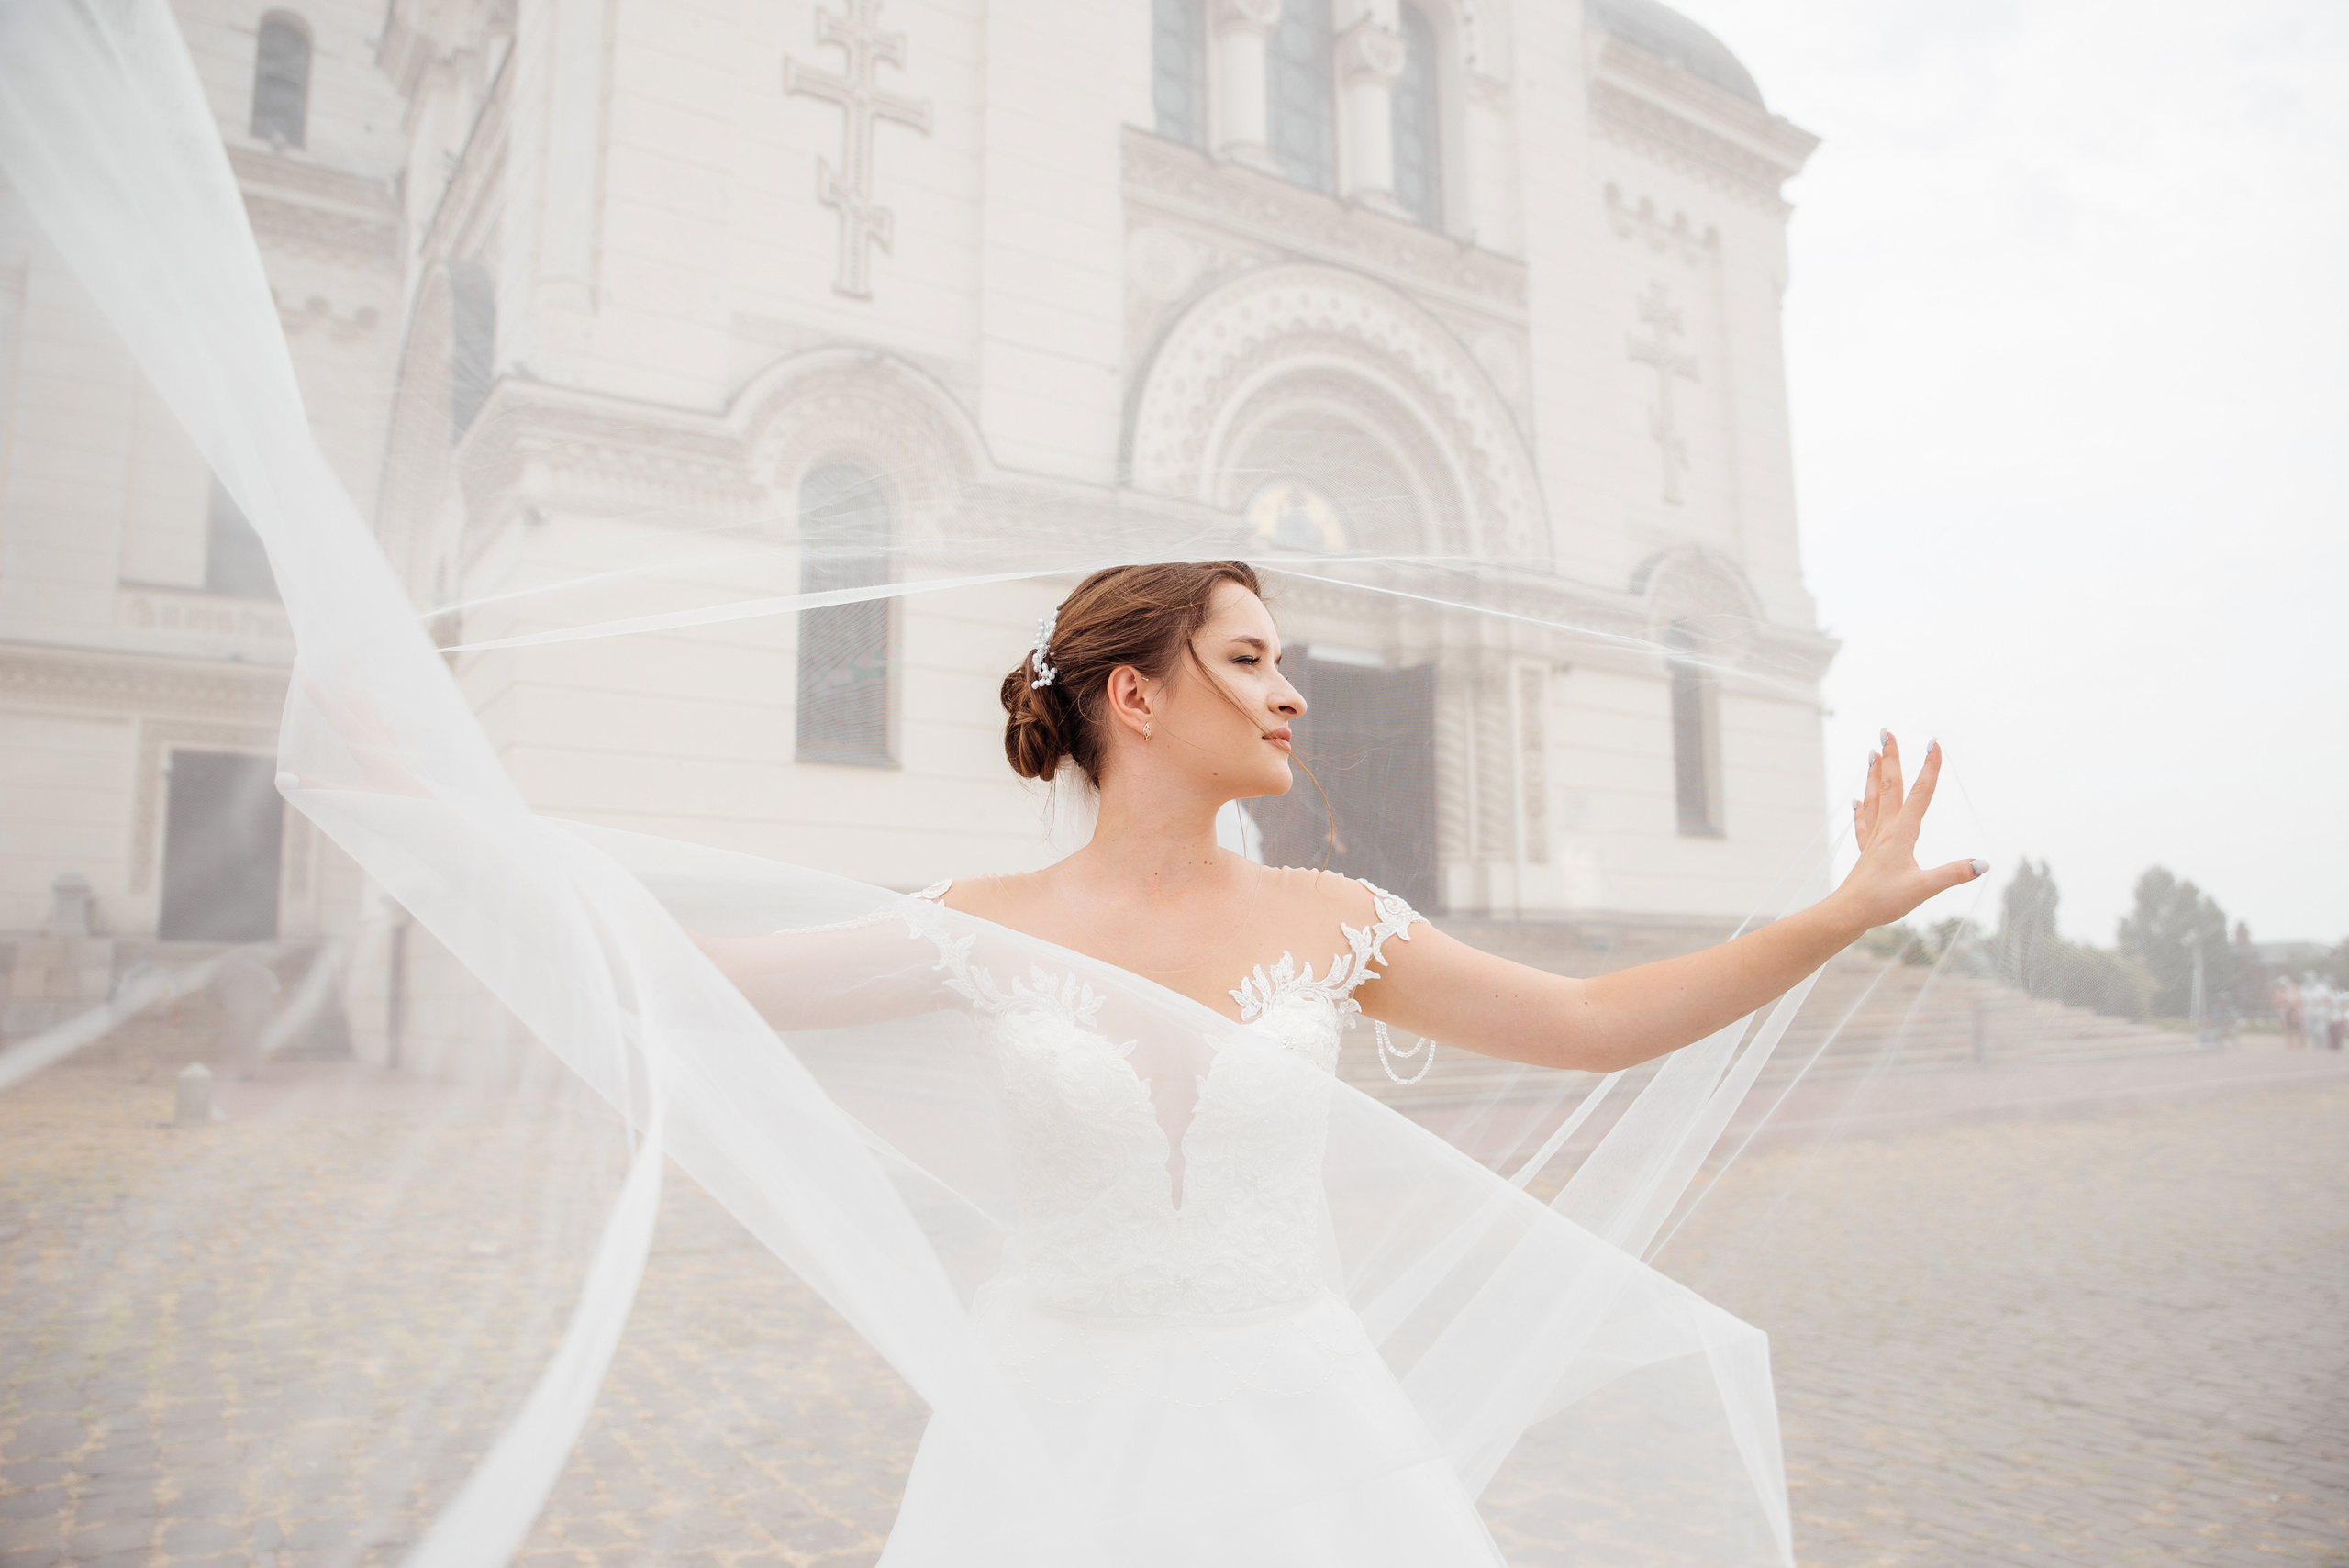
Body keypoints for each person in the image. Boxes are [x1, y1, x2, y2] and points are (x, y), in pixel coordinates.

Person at [700, 562, 1984, 1562]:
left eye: (1284, 663)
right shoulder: (979, 923)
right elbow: (715, 985)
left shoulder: (1333, 919)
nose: (1291, 693)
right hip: (1050, 1433)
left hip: (1299, 1435)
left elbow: (1592, 1023)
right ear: (1134, 696)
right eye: (1249, 659)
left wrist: (1835, 917)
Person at [2276, 973, 2305, 1049]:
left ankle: (2299, 1045)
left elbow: (2298, 1001)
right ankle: (2289, 1045)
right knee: (2288, 1029)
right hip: (2286, 1012)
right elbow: (2276, 1001)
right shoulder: (2280, 991)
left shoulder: (2294, 989)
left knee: (2298, 1029)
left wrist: (2297, 1011)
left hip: (2294, 1011)